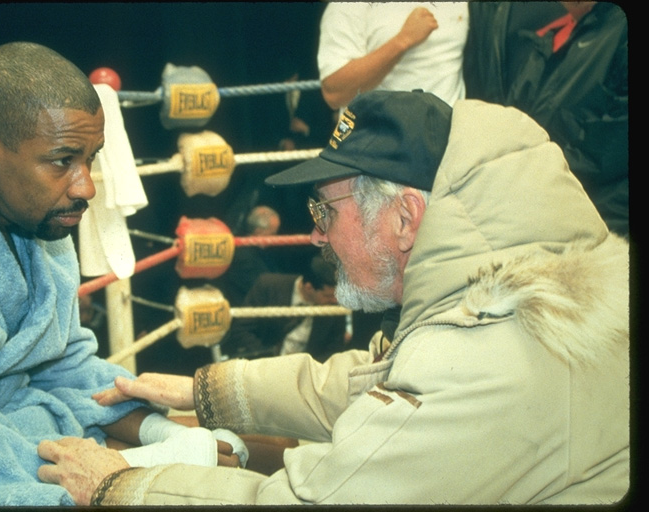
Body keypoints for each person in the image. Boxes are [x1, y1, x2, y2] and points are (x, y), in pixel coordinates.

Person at [36, 90, 629, 505]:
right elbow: (377, 383)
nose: (316, 234)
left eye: (326, 210)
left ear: (404, 219)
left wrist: (118, 486)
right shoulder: (513, 288)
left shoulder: (493, 357)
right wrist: (204, 391)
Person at [0, 41, 244, 507]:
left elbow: (60, 360)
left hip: (17, 440)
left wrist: (164, 432)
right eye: (62, 160)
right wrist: (129, 473)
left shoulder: (34, 213)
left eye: (90, 157)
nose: (87, 186)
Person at [463, 1, 628, 237]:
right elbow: (517, 117)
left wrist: (525, 176)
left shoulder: (617, 32)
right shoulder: (557, 34)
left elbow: (609, 151)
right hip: (541, 205)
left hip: (595, 221)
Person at [318, 2, 469, 111]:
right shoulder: (346, 6)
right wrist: (403, 41)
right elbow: (335, 94)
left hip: (451, 143)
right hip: (379, 143)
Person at [222, 254, 347, 362]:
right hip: (263, 367)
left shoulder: (335, 307)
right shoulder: (268, 286)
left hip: (307, 376)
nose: (335, 300)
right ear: (309, 288)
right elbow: (241, 328)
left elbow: (334, 349)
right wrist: (267, 360)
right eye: (328, 296)